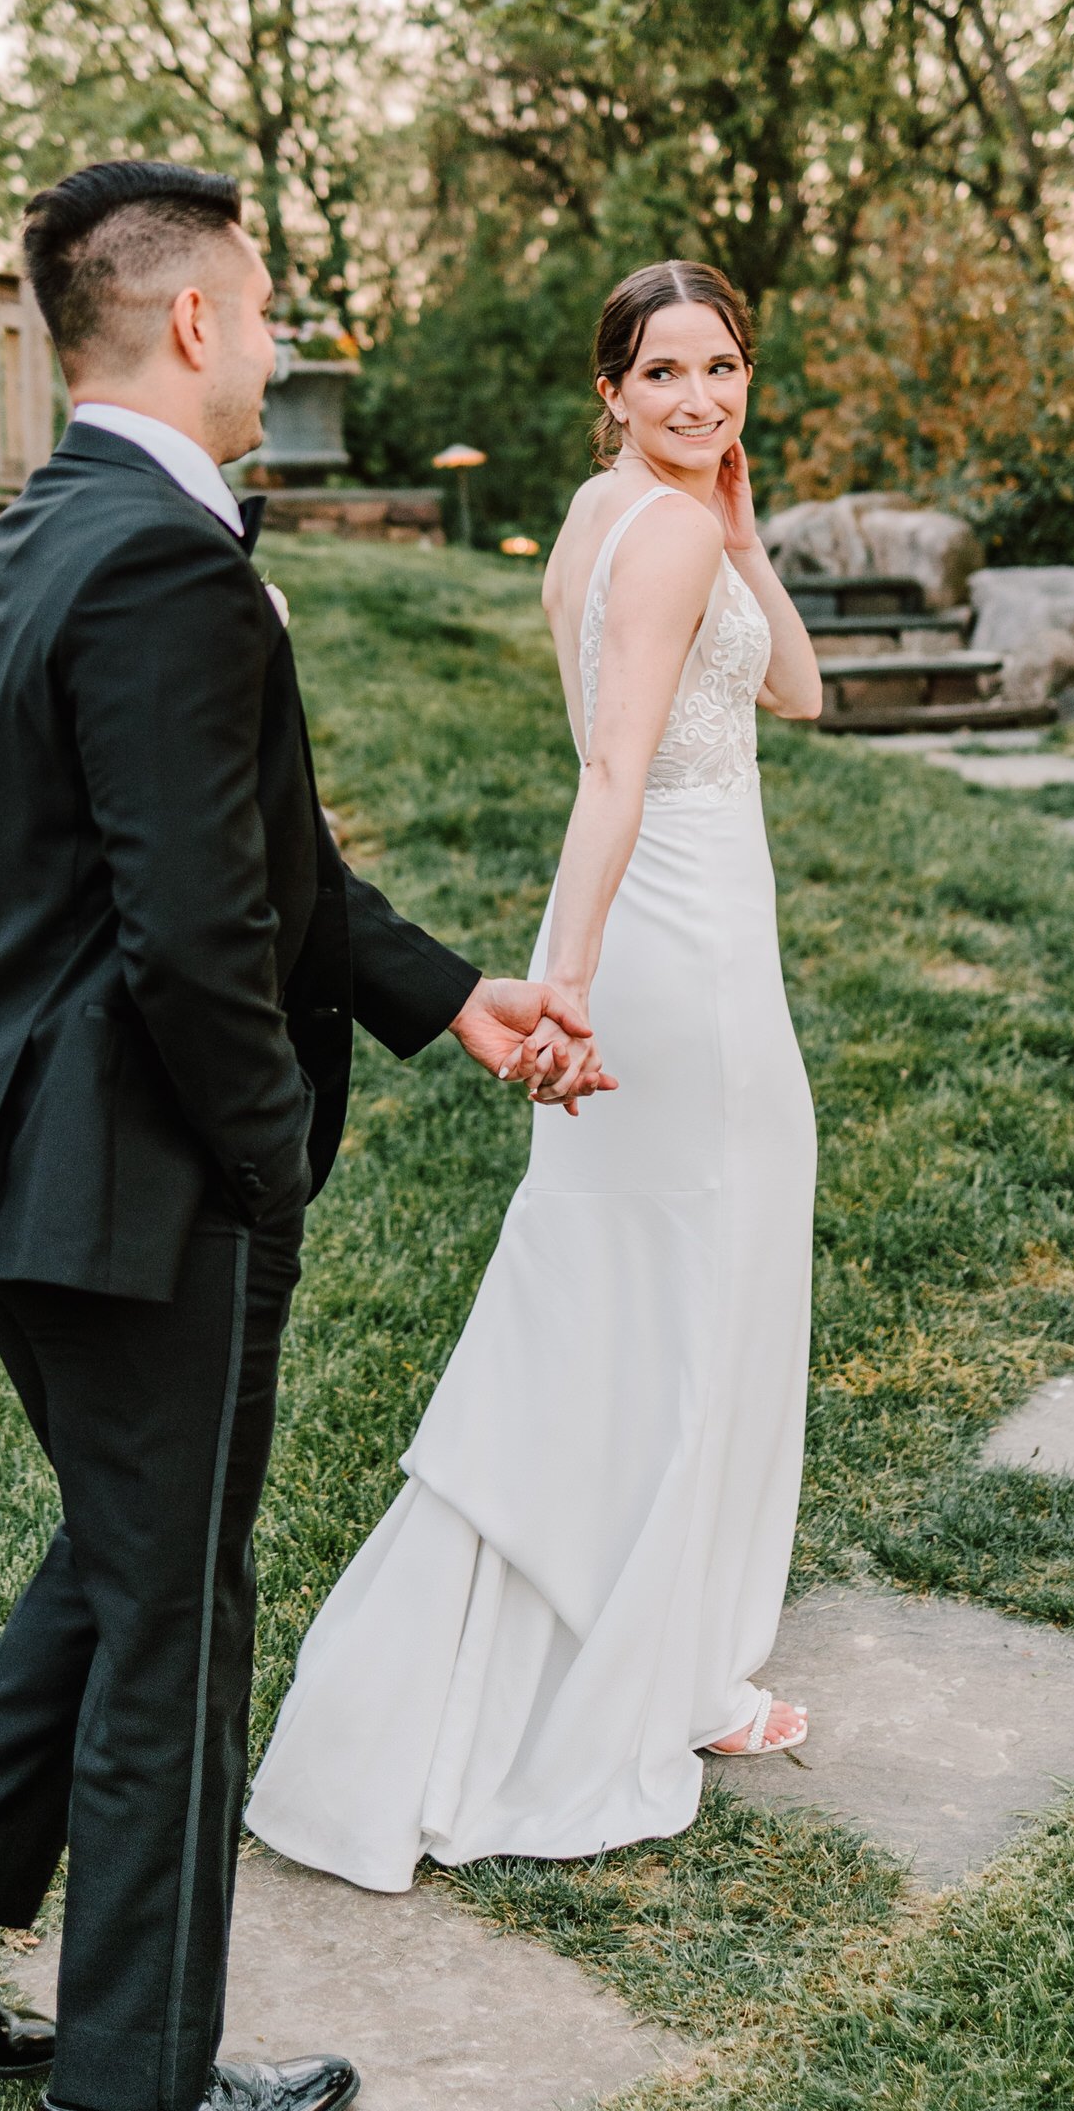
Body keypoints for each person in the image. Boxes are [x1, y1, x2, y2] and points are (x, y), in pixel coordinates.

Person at [0, 160, 610, 2111]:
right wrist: (266, 1171)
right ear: (190, 324)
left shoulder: (57, 526)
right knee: (174, 1613)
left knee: (125, 1555)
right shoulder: (162, 559)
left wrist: (447, 996)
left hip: (10, 1152)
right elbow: (190, 938)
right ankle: (126, 2088)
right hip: (130, 1181)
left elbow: (260, 859)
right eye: (264, 300)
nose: (277, 332)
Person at [246, 258, 822, 1892]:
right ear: (613, 392)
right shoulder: (657, 532)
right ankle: (659, 1675)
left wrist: (747, 522)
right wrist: (562, 980)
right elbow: (615, 770)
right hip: (681, 945)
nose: (700, 400)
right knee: (690, 1290)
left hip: (691, 926)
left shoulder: (616, 512)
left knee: (643, 1286)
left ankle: (664, 1649)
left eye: (723, 368)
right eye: (664, 377)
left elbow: (803, 687)